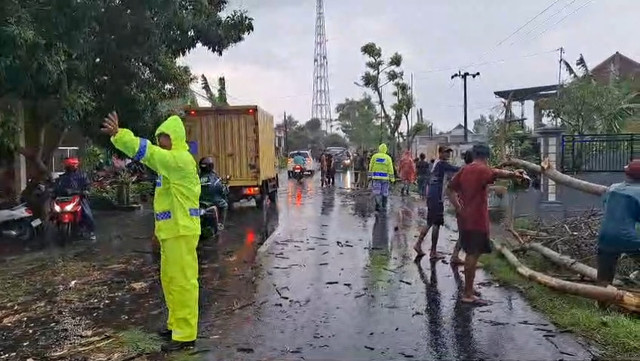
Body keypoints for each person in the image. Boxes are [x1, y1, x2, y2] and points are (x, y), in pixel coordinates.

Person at [101, 111, 200, 351]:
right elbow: (165, 204)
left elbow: (149, 154)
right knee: (170, 281)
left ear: (174, 139)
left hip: (182, 231)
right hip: (172, 232)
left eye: (163, 138)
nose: (159, 143)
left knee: (183, 282)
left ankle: (185, 335)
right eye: (158, 138)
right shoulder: (168, 169)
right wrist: (158, 231)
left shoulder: (179, 160)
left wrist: (120, 135)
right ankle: (176, 326)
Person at [447, 144, 524, 305]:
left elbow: (450, 190)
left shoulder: (464, 170)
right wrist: (514, 174)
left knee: (470, 253)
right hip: (475, 219)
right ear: (486, 156)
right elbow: (496, 172)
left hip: (465, 218)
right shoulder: (482, 169)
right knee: (472, 255)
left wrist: (458, 207)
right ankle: (468, 294)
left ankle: (468, 288)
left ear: (474, 154)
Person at [596, 160, 640, 300]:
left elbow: (607, 206)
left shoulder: (612, 188)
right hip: (628, 238)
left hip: (605, 235)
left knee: (604, 278)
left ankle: (601, 306)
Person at [414, 146, 459, 259]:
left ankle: (418, 244)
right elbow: (457, 169)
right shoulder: (442, 164)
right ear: (440, 153)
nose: (448, 155)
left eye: (449, 152)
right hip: (436, 196)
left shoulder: (437, 164)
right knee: (436, 223)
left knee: (430, 222)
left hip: (432, 195)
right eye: (446, 152)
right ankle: (433, 251)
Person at [53, 157, 96, 240]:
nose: (70, 167)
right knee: (53, 213)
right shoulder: (62, 177)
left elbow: (87, 185)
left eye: (72, 166)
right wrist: (53, 191)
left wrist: (85, 191)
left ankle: (91, 231)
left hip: (78, 198)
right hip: (64, 199)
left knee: (87, 213)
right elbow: (57, 187)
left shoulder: (82, 175)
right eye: (68, 166)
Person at [450, 150, 474, 265]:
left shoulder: (464, 171)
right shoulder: (468, 172)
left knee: (464, 233)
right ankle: (467, 260)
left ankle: (455, 256)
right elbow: (449, 189)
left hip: (465, 206)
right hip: (466, 207)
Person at [198, 157, 228, 230]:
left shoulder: (197, 177)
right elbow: (222, 190)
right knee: (224, 205)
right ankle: (221, 224)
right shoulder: (215, 178)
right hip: (213, 200)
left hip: (199, 201)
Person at [368, 143, 395, 211]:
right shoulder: (388, 158)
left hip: (376, 177)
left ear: (379, 149)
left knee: (377, 192)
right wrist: (392, 179)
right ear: (386, 150)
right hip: (385, 179)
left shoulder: (374, 156)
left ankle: (377, 205)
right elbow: (391, 169)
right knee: (384, 192)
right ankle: (384, 205)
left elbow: (370, 167)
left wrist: (369, 176)